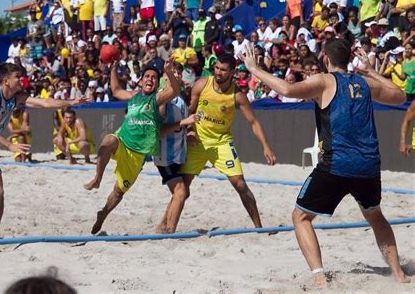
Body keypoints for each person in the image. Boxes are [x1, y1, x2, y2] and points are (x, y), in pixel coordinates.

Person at [240, 39, 411, 288]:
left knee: (300, 217)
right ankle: (398, 274)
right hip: (369, 165)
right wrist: (372, 71)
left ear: (326, 59)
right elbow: (400, 96)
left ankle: (320, 278)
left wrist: (255, 69)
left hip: (337, 165)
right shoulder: (364, 82)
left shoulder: (323, 80)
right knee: (375, 215)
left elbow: (287, 90)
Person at [0, 63, 89, 239]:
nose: (22, 79)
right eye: (18, 77)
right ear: (6, 81)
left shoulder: (17, 97)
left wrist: (69, 102)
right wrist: (9, 145)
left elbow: (44, 103)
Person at [84, 57, 182, 234]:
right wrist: (113, 68)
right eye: (147, 76)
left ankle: (103, 214)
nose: (150, 79)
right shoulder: (132, 97)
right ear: (141, 80)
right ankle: (97, 178)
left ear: (157, 83)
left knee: (118, 192)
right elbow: (115, 89)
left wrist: (167, 71)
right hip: (122, 141)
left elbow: (175, 89)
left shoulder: (157, 99)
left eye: (154, 77)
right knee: (108, 140)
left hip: (137, 156)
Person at [179, 53, 276, 230]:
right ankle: (167, 225)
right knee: (182, 189)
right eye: (216, 68)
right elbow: (188, 112)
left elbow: (253, 122)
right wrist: (190, 130)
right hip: (198, 141)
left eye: (223, 70)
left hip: (221, 142)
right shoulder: (202, 84)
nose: (218, 72)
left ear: (232, 72)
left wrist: (266, 146)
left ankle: (259, 227)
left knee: (240, 184)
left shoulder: (237, 95)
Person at [153, 63, 199, 233]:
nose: (177, 75)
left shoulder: (181, 98)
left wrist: (189, 132)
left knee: (181, 193)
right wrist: (183, 123)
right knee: (180, 192)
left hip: (178, 153)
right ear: (165, 77)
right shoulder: (161, 98)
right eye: (173, 73)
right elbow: (160, 131)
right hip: (165, 155)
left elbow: (184, 124)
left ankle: (163, 226)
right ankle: (170, 232)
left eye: (179, 72)